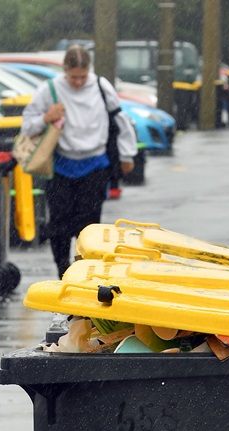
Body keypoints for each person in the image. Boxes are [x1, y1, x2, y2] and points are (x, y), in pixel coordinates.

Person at [19, 46, 137, 277]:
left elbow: (120, 120)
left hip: (95, 164)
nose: (78, 82)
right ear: (65, 71)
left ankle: (86, 272)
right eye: (73, 77)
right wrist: (46, 117)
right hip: (62, 165)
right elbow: (27, 125)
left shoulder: (101, 86)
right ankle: (63, 270)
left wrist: (126, 155)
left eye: (83, 77)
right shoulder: (50, 89)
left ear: (89, 71)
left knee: (89, 226)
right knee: (59, 226)